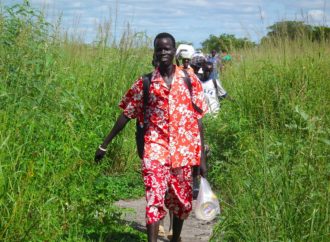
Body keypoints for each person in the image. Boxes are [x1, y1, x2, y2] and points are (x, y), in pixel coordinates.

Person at [94, 32, 208, 242]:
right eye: (159, 48)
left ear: (174, 51)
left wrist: (202, 159)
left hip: (184, 152)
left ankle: (175, 238)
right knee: (154, 201)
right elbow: (126, 114)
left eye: (167, 48)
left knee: (181, 202)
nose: (163, 52)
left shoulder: (189, 80)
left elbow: (198, 120)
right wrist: (104, 144)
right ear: (155, 52)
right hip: (155, 148)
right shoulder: (146, 83)